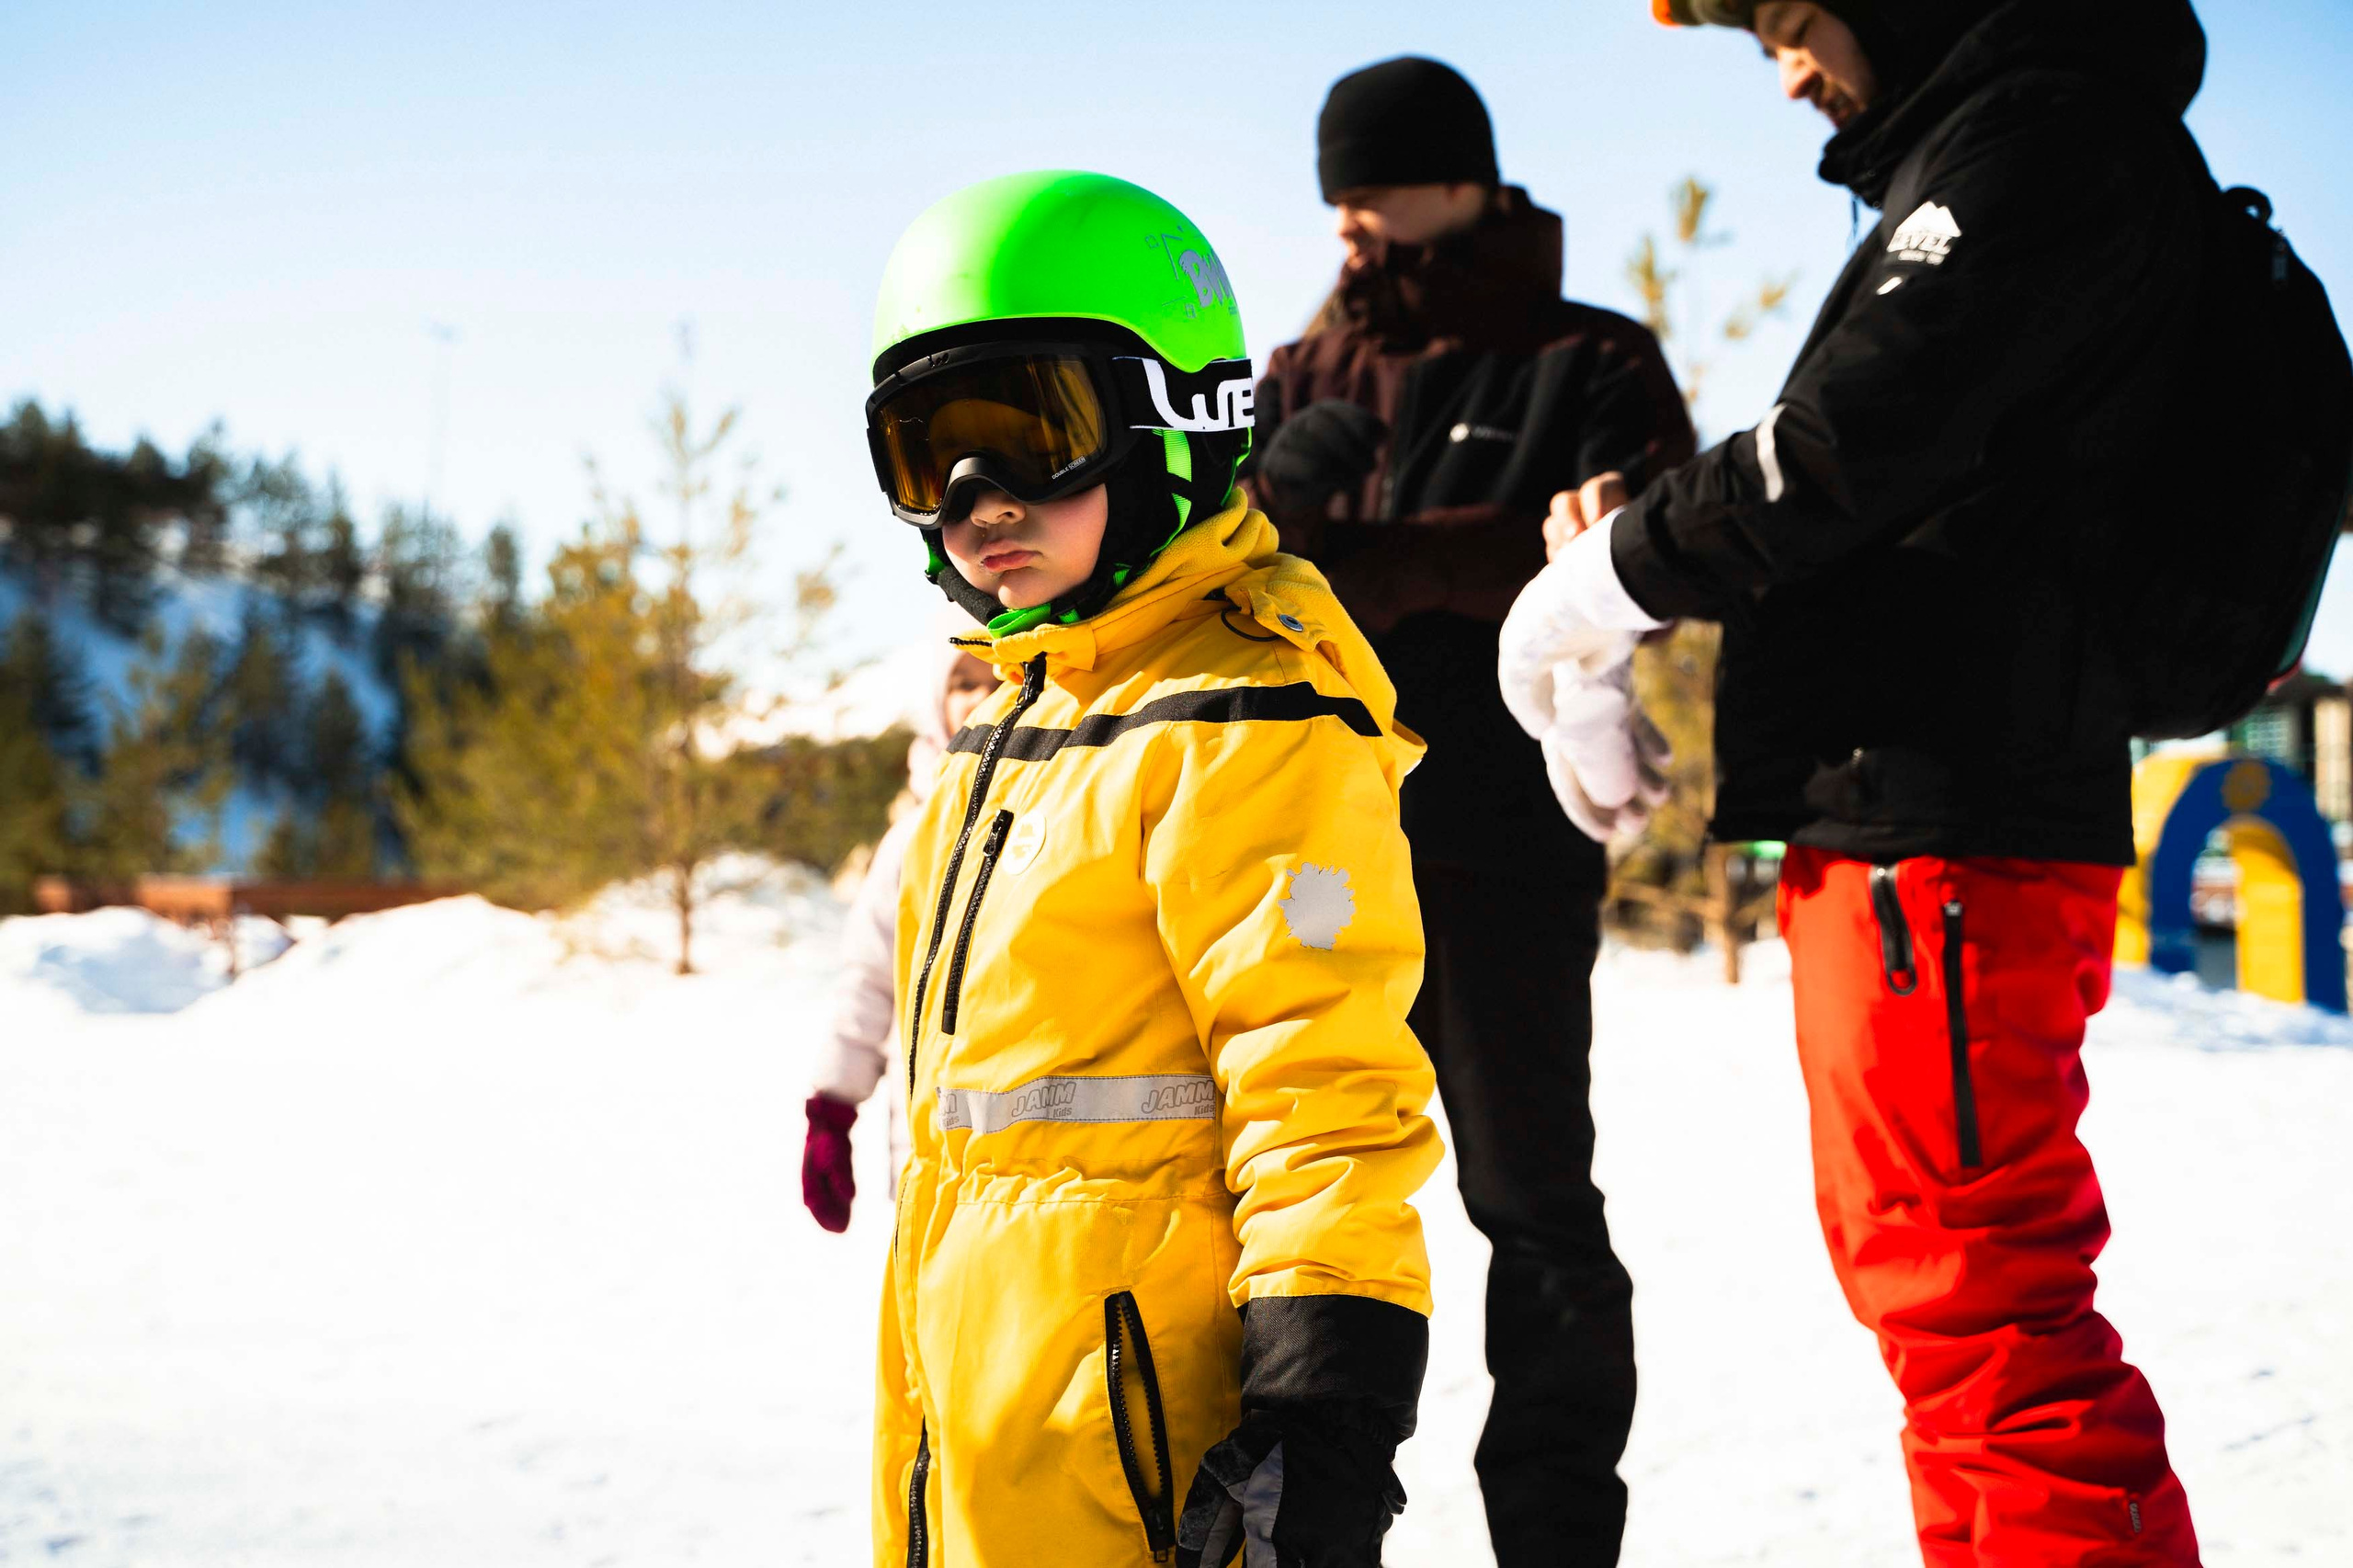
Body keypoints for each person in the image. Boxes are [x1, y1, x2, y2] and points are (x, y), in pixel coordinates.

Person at [1503, 2, 2216, 1560]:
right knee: (1945, 1320)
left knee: (1982, 1315)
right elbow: (1894, 474)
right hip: (1916, 831)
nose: (1791, 73)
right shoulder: (2010, 152)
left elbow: (1837, 453)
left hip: (1943, 829)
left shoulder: (2037, 140)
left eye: (1793, 21)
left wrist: (1604, 582)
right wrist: (1646, 556)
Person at [862, 169, 1444, 1567]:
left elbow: (1325, 1086)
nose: (976, 499)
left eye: (1028, 434)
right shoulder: (1020, 717)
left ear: (1181, 420)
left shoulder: (1245, 718)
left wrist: (1328, 1400)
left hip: (1144, 1430)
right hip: (975, 1400)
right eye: (924, 456)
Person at [1245, 56, 1695, 1566]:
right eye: (1336, 199)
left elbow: (1651, 557)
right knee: (1288, 1207)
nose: (1349, 224)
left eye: (1370, 190)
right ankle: (1294, 1535)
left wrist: (1380, 561)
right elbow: (1228, 588)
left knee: (1529, 1204)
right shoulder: (1300, 374)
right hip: (1305, 856)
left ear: (1467, 179)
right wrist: (1410, 551)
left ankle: (1556, 1545)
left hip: (1505, 843)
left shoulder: (1594, 362)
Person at [801, 631, 997, 1233]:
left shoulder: (1068, 809)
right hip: (921, 1152)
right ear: (937, 703)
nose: (981, 697)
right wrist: (831, 1110)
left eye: (997, 678)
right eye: (963, 684)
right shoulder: (911, 838)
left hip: (1033, 1162)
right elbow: (869, 979)